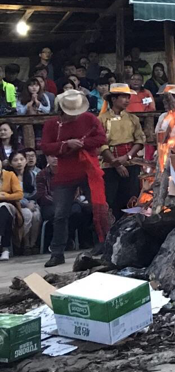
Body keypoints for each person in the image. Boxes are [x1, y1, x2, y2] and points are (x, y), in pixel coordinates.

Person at [38, 89, 108, 265]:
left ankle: (103, 242)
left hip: (87, 168)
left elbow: (101, 138)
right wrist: (65, 144)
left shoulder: (90, 119)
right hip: (65, 171)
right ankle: (57, 252)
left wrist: (82, 144)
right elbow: (46, 147)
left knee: (98, 206)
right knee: (60, 214)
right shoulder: (52, 124)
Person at [98, 83, 145, 219]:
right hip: (109, 164)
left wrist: (128, 157)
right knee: (112, 200)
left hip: (131, 162)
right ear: (113, 99)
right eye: (123, 97)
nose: (127, 100)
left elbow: (140, 140)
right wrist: (116, 163)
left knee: (132, 198)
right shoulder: (102, 119)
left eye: (128, 97)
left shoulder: (133, 118)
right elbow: (101, 144)